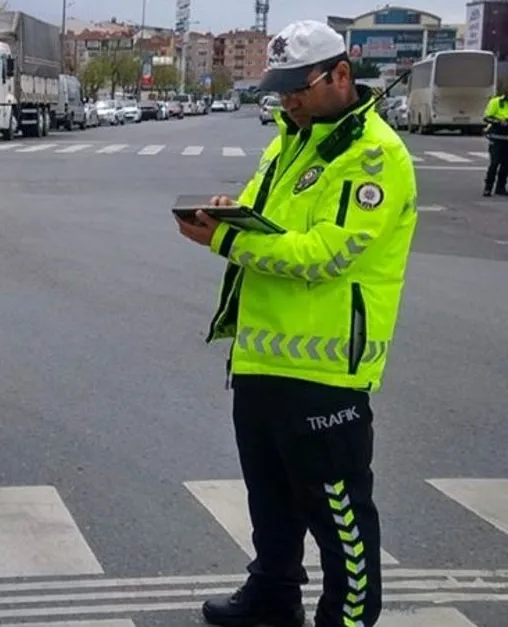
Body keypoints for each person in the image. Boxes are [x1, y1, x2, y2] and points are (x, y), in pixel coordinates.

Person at [174, 20, 418, 627]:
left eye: (298, 88)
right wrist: (232, 213)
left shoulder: (374, 157)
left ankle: (349, 617)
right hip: (262, 357)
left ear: (341, 74)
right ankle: (272, 594)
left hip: (327, 366)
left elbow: (325, 255)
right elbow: (266, 219)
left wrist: (224, 239)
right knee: (271, 500)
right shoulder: (291, 140)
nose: (287, 100)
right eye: (280, 89)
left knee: (339, 515)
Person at [482, 88, 508, 196]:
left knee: (506, 165)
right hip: (496, 136)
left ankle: (500, 187)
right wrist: (499, 122)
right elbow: (487, 117)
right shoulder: (496, 102)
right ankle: (488, 187)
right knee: (494, 163)